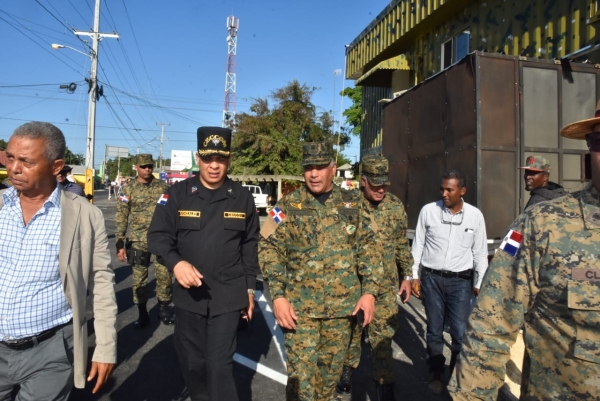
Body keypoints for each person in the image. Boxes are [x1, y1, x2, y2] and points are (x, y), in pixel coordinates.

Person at [450, 105, 600, 400]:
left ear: (546, 175)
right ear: (589, 152)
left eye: (534, 174)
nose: (527, 178)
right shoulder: (540, 219)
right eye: (526, 173)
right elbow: (490, 325)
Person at [0, 121, 117, 399]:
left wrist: (105, 347)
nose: (14, 168)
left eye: (26, 161)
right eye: (10, 157)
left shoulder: (84, 216)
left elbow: (101, 284)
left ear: (56, 166)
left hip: (50, 352)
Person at [259, 141, 381, 401]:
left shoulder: (354, 204)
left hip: (342, 313)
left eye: (320, 167)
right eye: (308, 168)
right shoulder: (286, 207)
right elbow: (267, 248)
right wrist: (277, 296)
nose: (314, 173)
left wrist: (369, 292)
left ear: (333, 168)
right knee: (300, 385)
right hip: (299, 313)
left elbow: (370, 249)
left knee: (327, 384)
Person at [147, 127, 259, 401]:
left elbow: (250, 245)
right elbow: (158, 236)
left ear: (229, 160)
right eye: (208, 158)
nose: (214, 165)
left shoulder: (242, 197)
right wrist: (176, 264)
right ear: (198, 158)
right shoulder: (177, 194)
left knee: (220, 365)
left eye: (220, 159)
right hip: (189, 296)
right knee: (193, 363)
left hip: (228, 296)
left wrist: (249, 290)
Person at [337, 154, 413, 401]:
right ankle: (347, 371)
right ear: (363, 181)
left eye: (384, 184)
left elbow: (402, 244)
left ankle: (384, 385)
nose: (381, 189)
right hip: (353, 286)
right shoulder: (348, 206)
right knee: (352, 334)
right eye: (375, 184)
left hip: (385, 285)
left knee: (383, 338)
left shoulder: (395, 206)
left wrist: (407, 276)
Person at [405, 170, 488, 394]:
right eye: (442, 189)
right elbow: (417, 246)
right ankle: (436, 373)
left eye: (449, 190)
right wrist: (413, 276)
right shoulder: (429, 212)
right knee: (434, 330)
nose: (444, 193)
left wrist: (479, 283)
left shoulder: (474, 216)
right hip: (431, 279)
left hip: (461, 282)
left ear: (462, 191)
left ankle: (457, 373)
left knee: (460, 332)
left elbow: (480, 253)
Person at [115, 154, 174, 328]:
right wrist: (120, 242)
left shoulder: (164, 187)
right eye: (143, 166)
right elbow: (121, 215)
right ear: (136, 167)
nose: (147, 169)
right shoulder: (128, 189)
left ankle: (163, 309)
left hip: (162, 239)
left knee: (164, 276)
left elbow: (172, 213)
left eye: (150, 166)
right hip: (138, 241)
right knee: (139, 279)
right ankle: (142, 313)